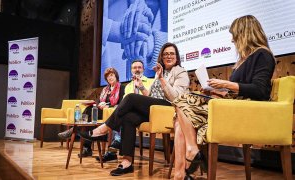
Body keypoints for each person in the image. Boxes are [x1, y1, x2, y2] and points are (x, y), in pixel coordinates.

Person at [172, 15, 276, 180]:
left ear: (244, 34)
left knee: (182, 102)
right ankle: (180, 173)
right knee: (180, 118)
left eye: (234, 36)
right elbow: (236, 92)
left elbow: (260, 90)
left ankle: (191, 152)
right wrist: (215, 91)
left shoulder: (263, 55)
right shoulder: (242, 61)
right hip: (232, 106)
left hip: (246, 111)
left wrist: (225, 84)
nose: (232, 41)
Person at [78, 42, 190, 176]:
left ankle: (103, 129)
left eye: (172, 53)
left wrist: (161, 79)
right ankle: (127, 162)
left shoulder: (180, 72)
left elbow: (175, 97)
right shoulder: (161, 72)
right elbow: (152, 96)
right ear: (161, 56)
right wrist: (142, 87)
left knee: (130, 98)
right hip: (155, 108)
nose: (168, 56)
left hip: (169, 109)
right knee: (128, 118)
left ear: (177, 57)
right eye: (165, 54)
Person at [95, 59, 154, 162]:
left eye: (139, 67)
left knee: (125, 107)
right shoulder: (128, 86)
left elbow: (153, 99)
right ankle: (121, 154)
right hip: (133, 115)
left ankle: (109, 138)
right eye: (134, 68)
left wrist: (141, 87)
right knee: (125, 115)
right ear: (131, 70)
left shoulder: (151, 81)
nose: (137, 70)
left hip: (147, 112)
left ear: (143, 69)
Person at [58, 67, 125, 157]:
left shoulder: (122, 88)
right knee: (90, 113)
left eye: (112, 75)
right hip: (103, 113)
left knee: (90, 113)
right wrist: (98, 104)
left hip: (113, 114)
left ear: (116, 76)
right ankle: (85, 146)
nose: (110, 77)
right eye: (108, 76)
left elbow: (121, 104)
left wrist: (108, 106)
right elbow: (98, 102)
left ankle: (75, 132)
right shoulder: (105, 90)